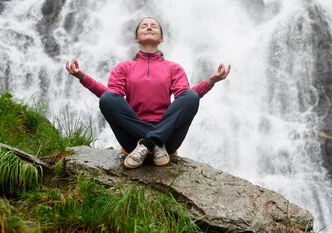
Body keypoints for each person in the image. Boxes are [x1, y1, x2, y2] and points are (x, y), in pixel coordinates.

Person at [65, 17, 231, 168]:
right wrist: (83, 77)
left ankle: (149, 142)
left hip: (169, 138)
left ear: (161, 38)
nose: (149, 28)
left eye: (154, 26)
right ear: (137, 37)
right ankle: (153, 143)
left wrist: (210, 82)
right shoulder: (124, 67)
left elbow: (184, 98)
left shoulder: (174, 68)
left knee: (191, 96)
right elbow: (113, 97)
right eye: (144, 26)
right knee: (108, 98)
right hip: (132, 139)